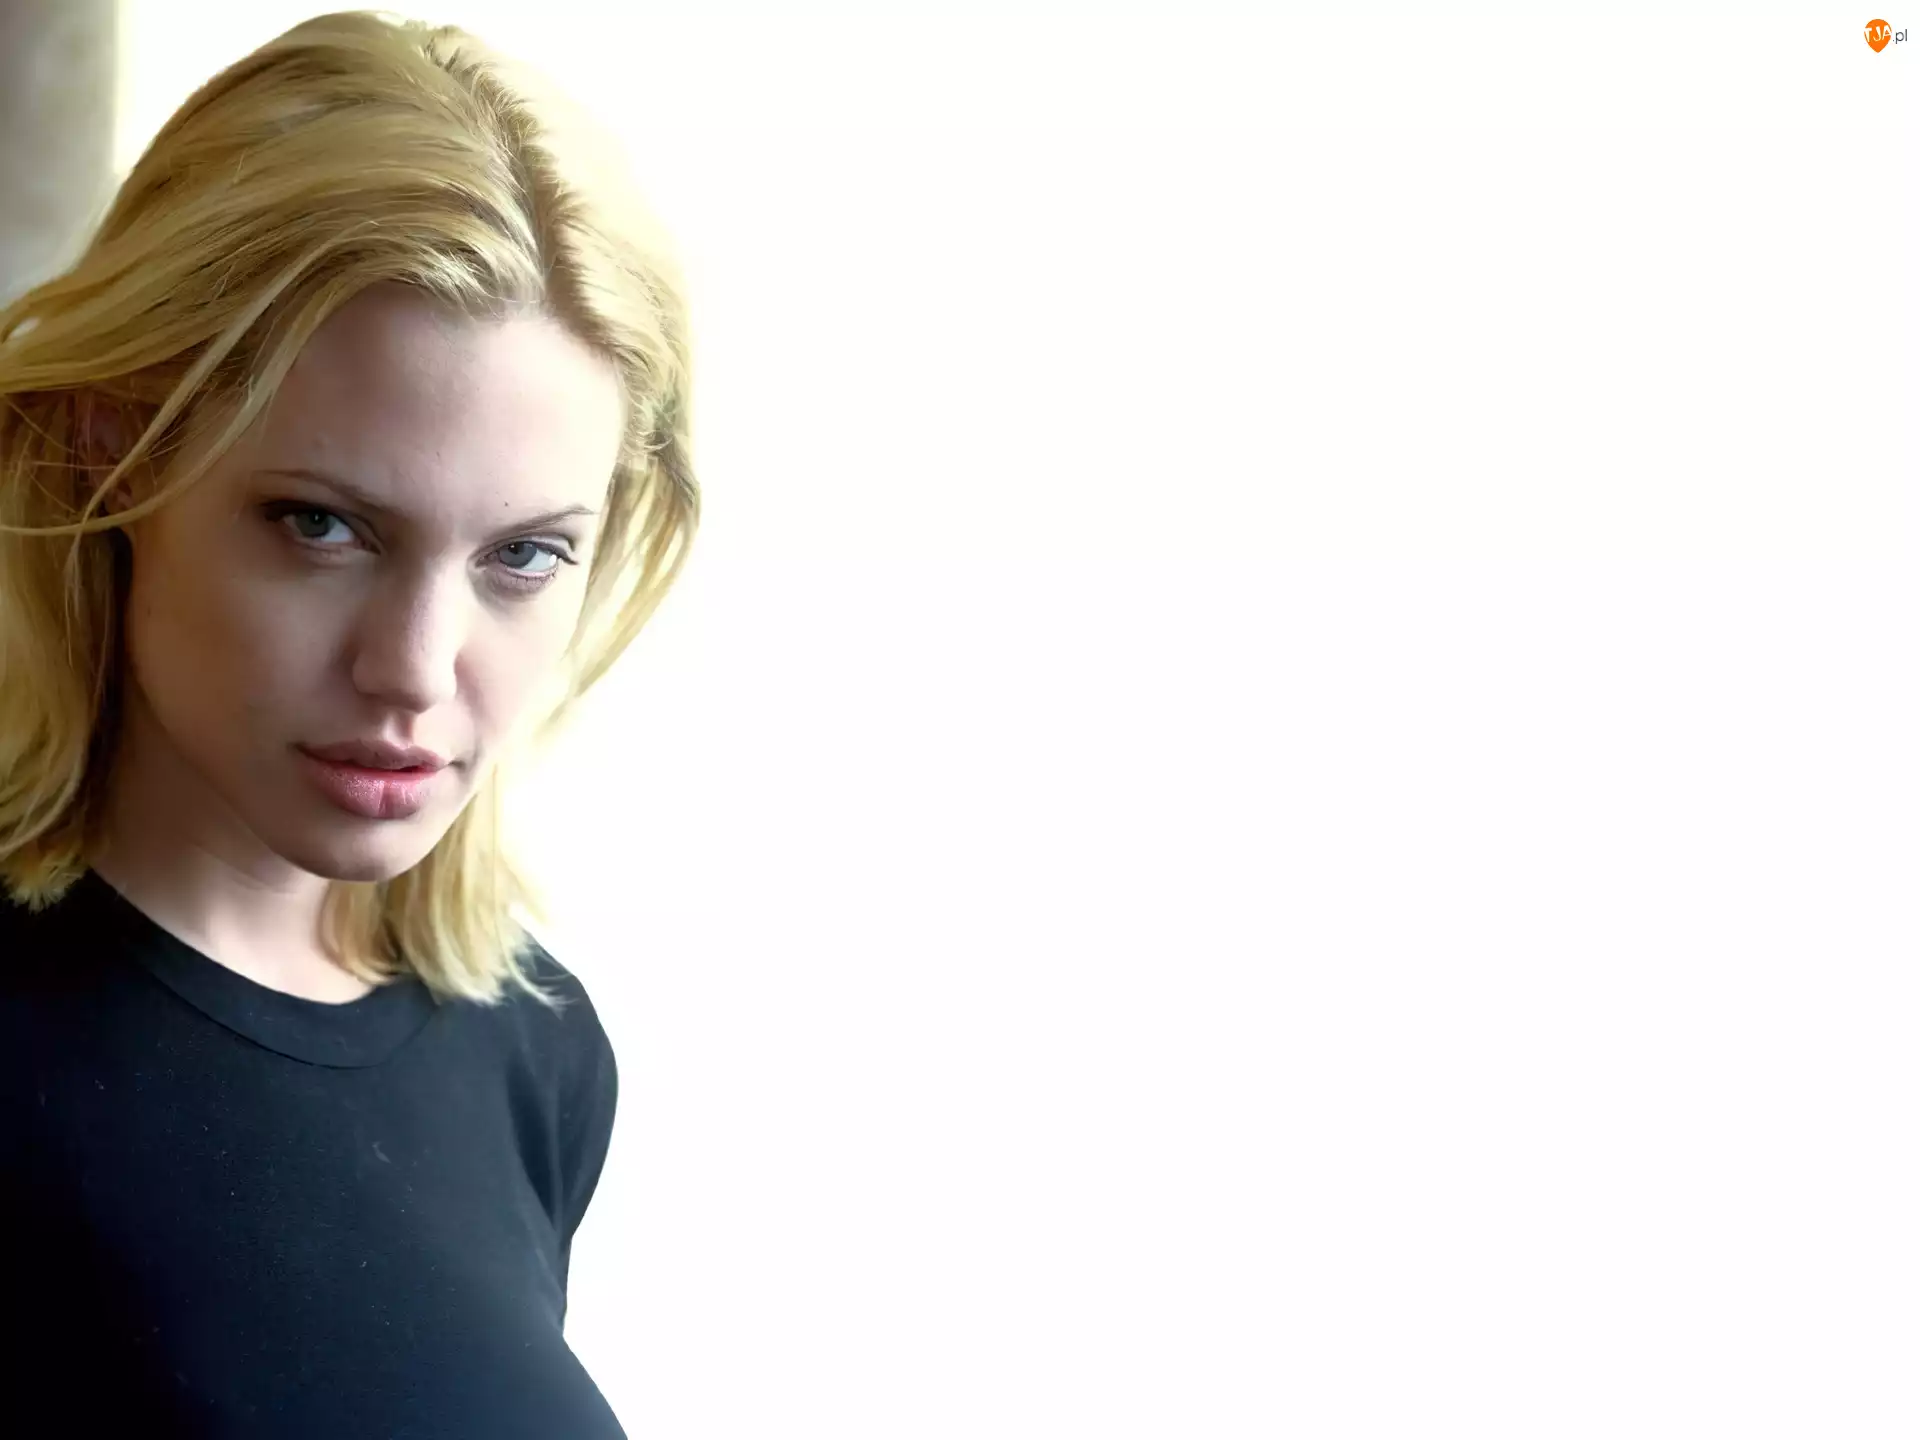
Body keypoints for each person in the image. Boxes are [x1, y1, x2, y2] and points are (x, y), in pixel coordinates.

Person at [0, 11, 696, 1437]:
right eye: (322, 526)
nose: (414, 671)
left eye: (524, 556)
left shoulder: (532, 1051)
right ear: (112, 444)